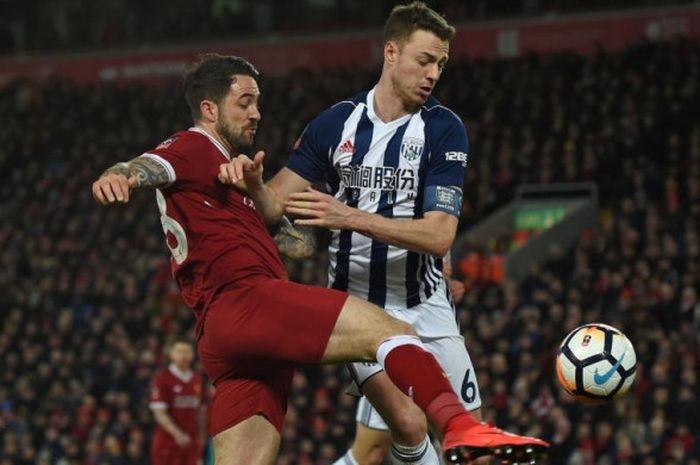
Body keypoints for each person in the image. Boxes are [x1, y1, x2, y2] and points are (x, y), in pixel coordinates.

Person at [92, 53, 548, 465]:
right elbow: (149, 165)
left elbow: (299, 245)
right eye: (244, 102)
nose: (256, 113)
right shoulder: (195, 147)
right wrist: (121, 177)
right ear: (209, 109)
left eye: (258, 102)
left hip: (230, 342)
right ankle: (460, 427)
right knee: (391, 331)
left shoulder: (234, 177)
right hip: (246, 303)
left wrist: (260, 192)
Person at [219, 3, 495, 464]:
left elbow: (439, 236)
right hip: (358, 312)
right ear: (391, 52)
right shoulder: (335, 124)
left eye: (441, 64)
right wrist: (252, 186)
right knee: (406, 423)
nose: (433, 74)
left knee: (472, 447)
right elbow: (274, 204)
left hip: (428, 306)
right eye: (424, 60)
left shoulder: (445, 130)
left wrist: (348, 216)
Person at [149, 337, 205, 465]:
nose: (183, 356)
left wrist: (201, 437)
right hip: (168, 443)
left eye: (187, 352)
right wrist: (178, 434)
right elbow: (159, 413)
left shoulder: (197, 379)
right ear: (171, 354)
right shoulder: (162, 378)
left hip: (191, 443)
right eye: (180, 351)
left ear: (192, 354)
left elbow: (200, 410)